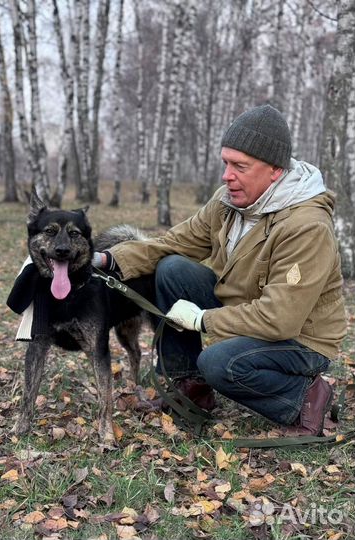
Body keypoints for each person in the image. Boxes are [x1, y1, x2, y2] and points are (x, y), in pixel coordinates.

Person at [93, 104, 347, 436]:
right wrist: (106, 259)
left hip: (300, 339)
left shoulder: (306, 226)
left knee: (219, 363)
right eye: (226, 163)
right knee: (172, 269)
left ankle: (306, 399)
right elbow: (176, 242)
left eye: (240, 166)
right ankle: (189, 389)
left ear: (275, 170)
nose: (227, 175)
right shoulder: (229, 201)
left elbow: (279, 318)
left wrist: (202, 320)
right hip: (247, 310)